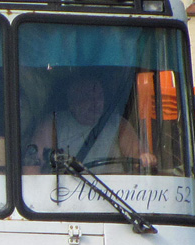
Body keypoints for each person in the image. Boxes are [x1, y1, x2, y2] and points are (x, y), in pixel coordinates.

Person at [26, 73, 155, 173]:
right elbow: (32, 165)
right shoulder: (53, 124)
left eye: (99, 97)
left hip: (114, 194)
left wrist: (145, 159)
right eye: (87, 97)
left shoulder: (118, 124)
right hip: (65, 197)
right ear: (72, 102)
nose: (95, 104)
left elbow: (139, 157)